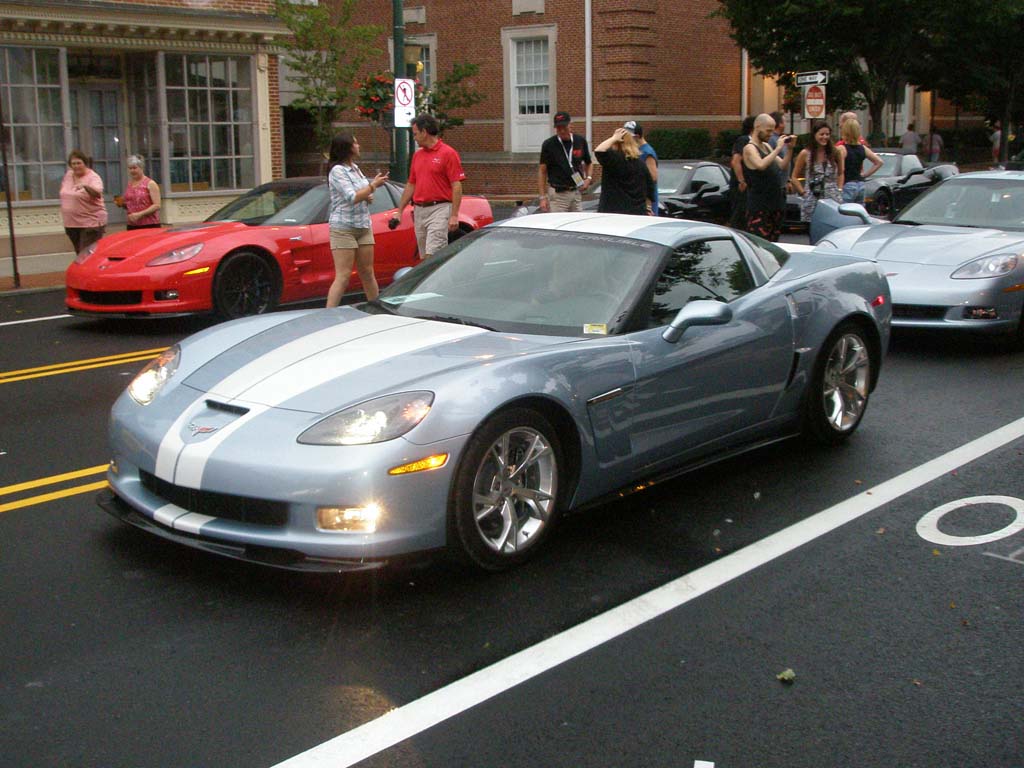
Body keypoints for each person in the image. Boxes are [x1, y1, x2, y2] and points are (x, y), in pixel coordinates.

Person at [390, 113, 466, 260]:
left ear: (424, 132)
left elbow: (456, 185)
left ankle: (438, 282)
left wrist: (454, 215)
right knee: (424, 258)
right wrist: (399, 211)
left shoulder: (448, 153)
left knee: (433, 254)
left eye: (415, 134)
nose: (414, 137)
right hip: (419, 210)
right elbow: (411, 184)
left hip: (440, 208)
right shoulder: (417, 156)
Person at [326, 132, 389, 308]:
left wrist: (369, 192)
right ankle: (328, 313)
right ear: (347, 148)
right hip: (343, 227)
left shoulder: (355, 168)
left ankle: (376, 310)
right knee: (344, 275)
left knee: (367, 272)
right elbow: (351, 196)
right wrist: (373, 186)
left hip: (363, 225)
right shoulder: (337, 170)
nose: (358, 146)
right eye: (355, 143)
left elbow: (362, 192)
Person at [742, 113, 793, 241]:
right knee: (760, 244)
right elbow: (761, 165)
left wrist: (790, 149)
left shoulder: (766, 146)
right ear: (758, 127)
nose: (770, 134)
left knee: (774, 243)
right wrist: (778, 148)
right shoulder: (749, 148)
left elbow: (782, 165)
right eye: (768, 130)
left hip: (775, 204)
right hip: (759, 207)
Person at [538, 111, 593, 212]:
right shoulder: (548, 145)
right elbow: (542, 171)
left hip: (576, 192)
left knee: (576, 225)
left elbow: (589, 163)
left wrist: (588, 178)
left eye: (564, 127)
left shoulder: (580, 141)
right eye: (559, 128)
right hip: (558, 195)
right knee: (558, 224)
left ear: (570, 125)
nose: (562, 131)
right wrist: (543, 197)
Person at [593, 127, 655, 215]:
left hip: (613, 211)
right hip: (637, 212)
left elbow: (599, 150)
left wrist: (613, 138)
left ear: (616, 143)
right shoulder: (641, 164)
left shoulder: (613, 160)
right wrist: (648, 208)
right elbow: (650, 188)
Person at [791, 120, 844, 221]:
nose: (825, 137)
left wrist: (840, 190)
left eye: (827, 134)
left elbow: (841, 173)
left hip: (832, 199)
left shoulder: (835, 153)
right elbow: (794, 177)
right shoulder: (805, 153)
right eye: (821, 134)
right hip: (812, 199)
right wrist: (803, 193)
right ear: (814, 135)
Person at [59, 149, 107, 255]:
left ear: (85, 163)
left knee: (86, 253)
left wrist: (86, 186)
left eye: (79, 163)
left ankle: (91, 271)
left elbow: (97, 193)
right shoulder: (68, 175)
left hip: (90, 222)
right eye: (73, 164)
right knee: (79, 253)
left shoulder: (93, 177)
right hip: (71, 223)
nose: (76, 166)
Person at [838, 118, 883, 204]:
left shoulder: (842, 149)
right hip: (860, 184)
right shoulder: (863, 148)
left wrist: (839, 188)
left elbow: (841, 170)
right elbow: (879, 162)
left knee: (844, 213)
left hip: (847, 184)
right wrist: (865, 175)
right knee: (858, 213)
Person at [118, 155, 162, 230]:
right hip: (132, 224)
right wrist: (122, 203)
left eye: (135, 168)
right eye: (130, 168)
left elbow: (157, 205)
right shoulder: (130, 184)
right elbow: (131, 203)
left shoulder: (150, 183)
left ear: (141, 168)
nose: (132, 171)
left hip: (149, 224)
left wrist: (140, 214)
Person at [625, 120, 659, 215]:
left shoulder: (647, 152)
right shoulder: (635, 150)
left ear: (637, 136)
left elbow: (653, 177)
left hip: (646, 198)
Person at [728, 115, 755, 230]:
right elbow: (735, 161)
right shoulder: (744, 140)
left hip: (751, 186)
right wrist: (741, 180)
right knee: (740, 214)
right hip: (742, 186)